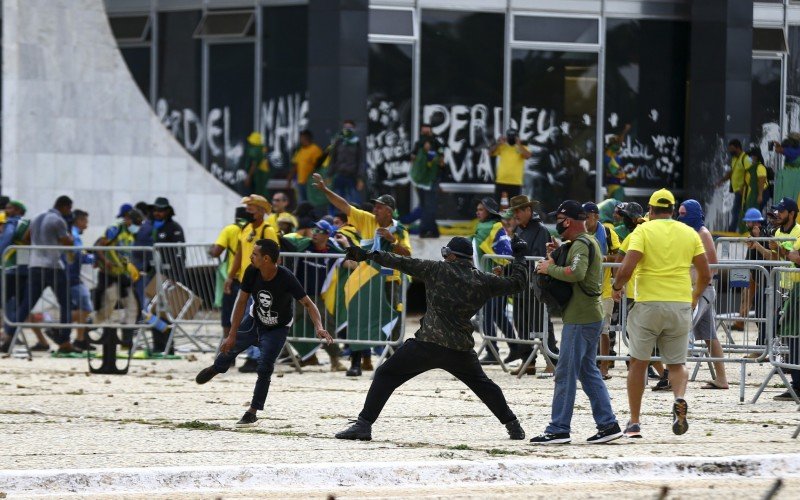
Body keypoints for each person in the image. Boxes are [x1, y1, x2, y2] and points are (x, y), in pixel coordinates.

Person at [334, 236, 529, 441]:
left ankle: (363, 425)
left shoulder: (436, 270)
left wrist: (367, 255)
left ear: (451, 255)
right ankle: (513, 425)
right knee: (485, 387)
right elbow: (517, 284)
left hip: (427, 345)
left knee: (385, 375)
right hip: (460, 349)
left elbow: (401, 262)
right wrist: (520, 257)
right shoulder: (483, 280)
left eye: (446, 253)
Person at [195, 239, 333, 426]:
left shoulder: (286, 277)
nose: (250, 257)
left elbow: (308, 304)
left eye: (254, 254)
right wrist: (232, 334)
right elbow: (241, 302)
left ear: (266, 259)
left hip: (277, 328)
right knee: (228, 349)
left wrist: (319, 327)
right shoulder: (252, 271)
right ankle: (217, 368)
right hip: (254, 321)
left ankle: (252, 411)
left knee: (265, 367)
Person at [611, 188, 710, 438]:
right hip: (679, 304)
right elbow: (706, 273)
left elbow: (627, 267)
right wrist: (695, 296)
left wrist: (616, 288)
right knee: (676, 364)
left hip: (648, 305)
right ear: (674, 210)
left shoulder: (643, 231)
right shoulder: (689, 233)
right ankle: (679, 397)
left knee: (638, 363)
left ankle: (634, 422)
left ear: (651, 210)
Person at [530, 201, 621, 444]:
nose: (556, 223)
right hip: (587, 316)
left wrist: (549, 269)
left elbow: (577, 273)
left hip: (581, 319)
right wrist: (558, 253)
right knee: (587, 371)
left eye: (558, 218)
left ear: (567, 221)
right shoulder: (582, 243)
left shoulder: (581, 243)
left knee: (565, 372)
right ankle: (608, 424)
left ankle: (558, 428)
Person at [312, 173, 411, 376]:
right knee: (359, 318)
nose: (374, 210)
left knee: (392, 321)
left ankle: (394, 364)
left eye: (379, 207)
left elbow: (408, 254)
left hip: (389, 280)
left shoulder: (399, 229)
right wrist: (324, 190)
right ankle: (356, 362)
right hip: (365, 279)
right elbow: (344, 206)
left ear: (389, 211)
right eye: (374, 207)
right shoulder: (367, 220)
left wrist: (392, 240)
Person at [9, 196, 78, 353]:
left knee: (26, 305)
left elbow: (26, 238)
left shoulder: (37, 217)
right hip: (53, 266)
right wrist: (70, 237)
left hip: (35, 265)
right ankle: (64, 341)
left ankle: (9, 337)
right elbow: (67, 242)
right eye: (69, 209)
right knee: (65, 304)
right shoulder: (58, 220)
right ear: (65, 207)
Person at [751, 197, 800, 401]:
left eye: (781, 211)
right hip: (784, 288)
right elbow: (774, 258)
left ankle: (797, 386)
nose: (777, 215)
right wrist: (762, 247)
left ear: (791, 213)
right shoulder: (778, 233)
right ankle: (795, 383)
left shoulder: (799, 231)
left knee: (795, 337)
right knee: (788, 336)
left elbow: (796, 258)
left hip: (798, 289)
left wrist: (779, 249)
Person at [224, 195, 280, 373]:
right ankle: (248, 355)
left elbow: (276, 257)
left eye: (251, 207)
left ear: (262, 211)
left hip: (262, 282)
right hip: (246, 281)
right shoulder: (245, 228)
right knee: (242, 319)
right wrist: (230, 276)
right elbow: (239, 255)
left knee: (256, 321)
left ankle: (255, 357)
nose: (247, 210)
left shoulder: (268, 230)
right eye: (247, 207)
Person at [677, 200, 728, 390]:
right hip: (697, 290)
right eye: (679, 213)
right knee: (710, 337)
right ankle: (721, 379)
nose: (680, 217)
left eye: (683, 213)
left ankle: (673, 375)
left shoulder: (703, 234)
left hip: (702, 291)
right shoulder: (690, 233)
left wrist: (698, 290)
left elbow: (713, 265)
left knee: (682, 330)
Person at [507, 195, 557, 374]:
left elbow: (540, 256)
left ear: (529, 210)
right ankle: (528, 362)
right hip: (520, 285)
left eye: (519, 210)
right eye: (514, 211)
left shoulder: (540, 230)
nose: (516, 214)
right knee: (521, 324)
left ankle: (552, 360)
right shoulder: (518, 230)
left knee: (542, 324)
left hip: (535, 285)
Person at [472, 198, 514, 365]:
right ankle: (516, 347)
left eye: (481, 209)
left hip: (494, 279)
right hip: (492, 279)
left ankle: (492, 351)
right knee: (497, 315)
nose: (477, 212)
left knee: (488, 315)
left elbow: (504, 254)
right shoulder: (491, 227)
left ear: (488, 212)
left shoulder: (492, 227)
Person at [584, 202, 620, 379]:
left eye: (587, 216)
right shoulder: (580, 233)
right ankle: (587, 364)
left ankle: (604, 366)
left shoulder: (607, 232)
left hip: (605, 288)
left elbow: (620, 256)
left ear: (596, 216)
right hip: (584, 289)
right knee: (585, 329)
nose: (585, 220)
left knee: (604, 330)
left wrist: (604, 258)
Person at [210, 207, 251, 342]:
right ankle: (248, 347)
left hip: (233, 279)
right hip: (250, 278)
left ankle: (228, 350)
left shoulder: (229, 230)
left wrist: (210, 250)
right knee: (248, 314)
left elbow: (216, 252)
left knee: (228, 316)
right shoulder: (251, 230)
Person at [66, 209, 96, 352]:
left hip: (71, 276)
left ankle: (80, 339)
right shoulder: (74, 234)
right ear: (77, 221)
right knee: (86, 308)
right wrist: (98, 259)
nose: (86, 225)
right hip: (71, 277)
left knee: (80, 308)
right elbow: (80, 255)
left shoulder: (73, 233)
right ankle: (57, 328)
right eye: (84, 221)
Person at [409, 123, 445, 238]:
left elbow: (441, 161)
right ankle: (433, 230)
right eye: (423, 132)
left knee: (430, 206)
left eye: (427, 132)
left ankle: (424, 229)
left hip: (432, 180)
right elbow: (413, 159)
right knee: (425, 206)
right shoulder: (418, 144)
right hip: (420, 180)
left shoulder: (437, 143)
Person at [325, 120, 363, 204]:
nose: (347, 129)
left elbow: (360, 161)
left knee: (354, 201)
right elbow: (333, 159)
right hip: (339, 175)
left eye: (349, 128)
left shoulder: (357, 143)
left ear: (354, 129)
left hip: (352, 176)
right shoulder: (339, 141)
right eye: (345, 127)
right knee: (337, 200)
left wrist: (360, 178)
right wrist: (329, 175)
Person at [717, 139, 750, 233]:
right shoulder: (735, 159)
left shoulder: (746, 159)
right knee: (737, 211)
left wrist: (744, 187)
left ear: (738, 148)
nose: (730, 151)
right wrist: (721, 181)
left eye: (732, 149)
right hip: (737, 190)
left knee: (737, 211)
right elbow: (732, 172)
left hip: (744, 191)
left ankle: (733, 230)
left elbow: (750, 174)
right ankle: (737, 229)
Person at [490, 128, 532, 201]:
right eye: (509, 136)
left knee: (514, 208)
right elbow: (490, 153)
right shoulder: (502, 146)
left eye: (513, 136)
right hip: (501, 180)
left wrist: (519, 144)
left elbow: (528, 156)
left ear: (517, 136)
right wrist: (498, 143)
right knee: (495, 206)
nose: (511, 138)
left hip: (515, 182)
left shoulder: (522, 147)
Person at [287, 129, 323, 203]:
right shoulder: (301, 150)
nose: (300, 140)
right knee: (301, 202)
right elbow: (296, 165)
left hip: (310, 182)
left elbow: (319, 166)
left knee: (311, 202)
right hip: (300, 182)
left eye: (301, 138)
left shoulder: (315, 149)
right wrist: (289, 178)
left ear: (307, 138)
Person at [603, 124, 631, 201]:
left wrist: (627, 172)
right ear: (612, 145)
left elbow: (619, 173)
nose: (620, 145)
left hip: (615, 185)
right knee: (617, 207)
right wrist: (625, 130)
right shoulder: (608, 156)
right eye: (616, 143)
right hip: (614, 187)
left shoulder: (614, 156)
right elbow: (615, 172)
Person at [244, 132, 270, 198]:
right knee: (262, 193)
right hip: (264, 174)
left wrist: (248, 177)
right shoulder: (263, 149)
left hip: (258, 175)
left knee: (256, 195)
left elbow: (254, 164)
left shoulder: (255, 150)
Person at [744, 149, 769, 215]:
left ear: (755, 157)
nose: (749, 158)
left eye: (750, 156)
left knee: (756, 213)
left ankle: (762, 225)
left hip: (762, 192)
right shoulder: (752, 167)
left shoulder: (760, 167)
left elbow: (761, 181)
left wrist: (760, 195)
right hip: (756, 193)